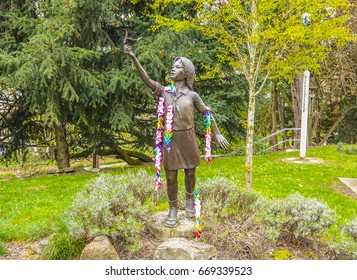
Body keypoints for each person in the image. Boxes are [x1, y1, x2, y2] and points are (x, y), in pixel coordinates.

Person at [124, 38, 229, 228]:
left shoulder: (192, 96)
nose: (173, 69)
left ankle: (190, 201)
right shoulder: (165, 92)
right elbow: (147, 80)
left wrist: (217, 133)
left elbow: (206, 113)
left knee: (190, 172)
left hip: (187, 138)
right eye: (173, 66)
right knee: (171, 175)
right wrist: (133, 57)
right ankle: (173, 208)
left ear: (186, 73)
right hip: (170, 140)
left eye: (178, 67)